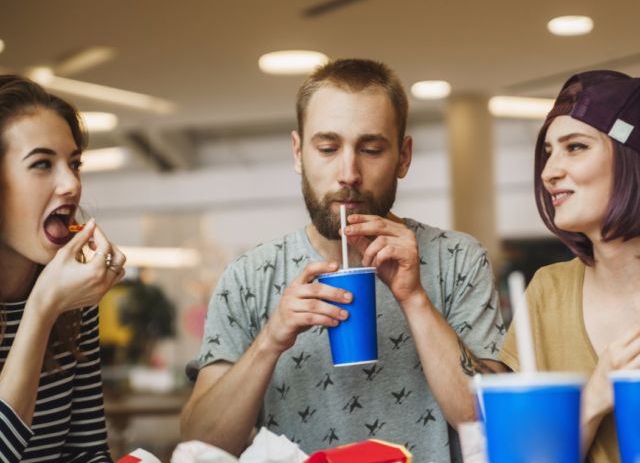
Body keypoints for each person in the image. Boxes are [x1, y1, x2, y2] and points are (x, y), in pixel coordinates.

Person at [181, 59, 505, 461]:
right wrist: (270, 339)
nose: (348, 172)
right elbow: (199, 447)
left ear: (403, 157)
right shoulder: (248, 277)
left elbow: (493, 423)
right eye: (328, 148)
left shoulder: (459, 260)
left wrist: (414, 299)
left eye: (371, 149)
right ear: (299, 153)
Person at [499, 70, 640, 462]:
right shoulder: (549, 291)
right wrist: (595, 397)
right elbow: (527, 456)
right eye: (548, 152)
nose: (548, 172)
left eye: (575, 147)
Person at [0, 75, 126, 462]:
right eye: (41, 164)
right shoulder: (57, 296)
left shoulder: (74, 296)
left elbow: (85, 451)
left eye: (74, 164)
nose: (71, 184)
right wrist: (42, 309)